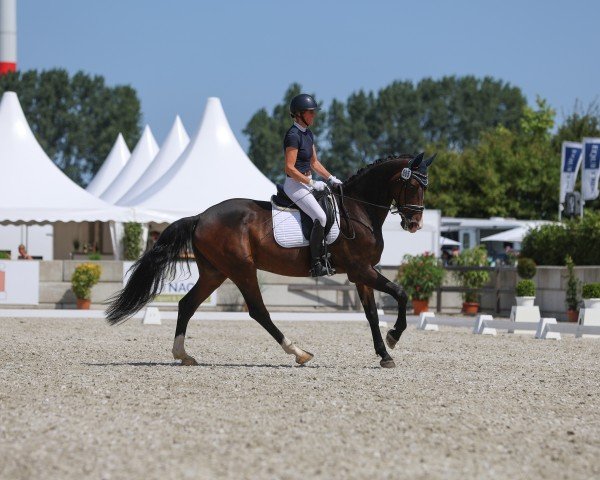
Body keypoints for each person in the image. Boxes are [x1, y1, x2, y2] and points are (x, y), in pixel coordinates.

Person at [283, 93, 343, 277]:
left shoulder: (308, 134)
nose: (314, 115)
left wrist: (330, 177)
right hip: (295, 185)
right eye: (310, 112)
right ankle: (316, 263)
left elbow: (314, 163)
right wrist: (311, 182)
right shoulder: (293, 135)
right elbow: (290, 168)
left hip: (308, 183)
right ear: (299, 114)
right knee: (321, 217)